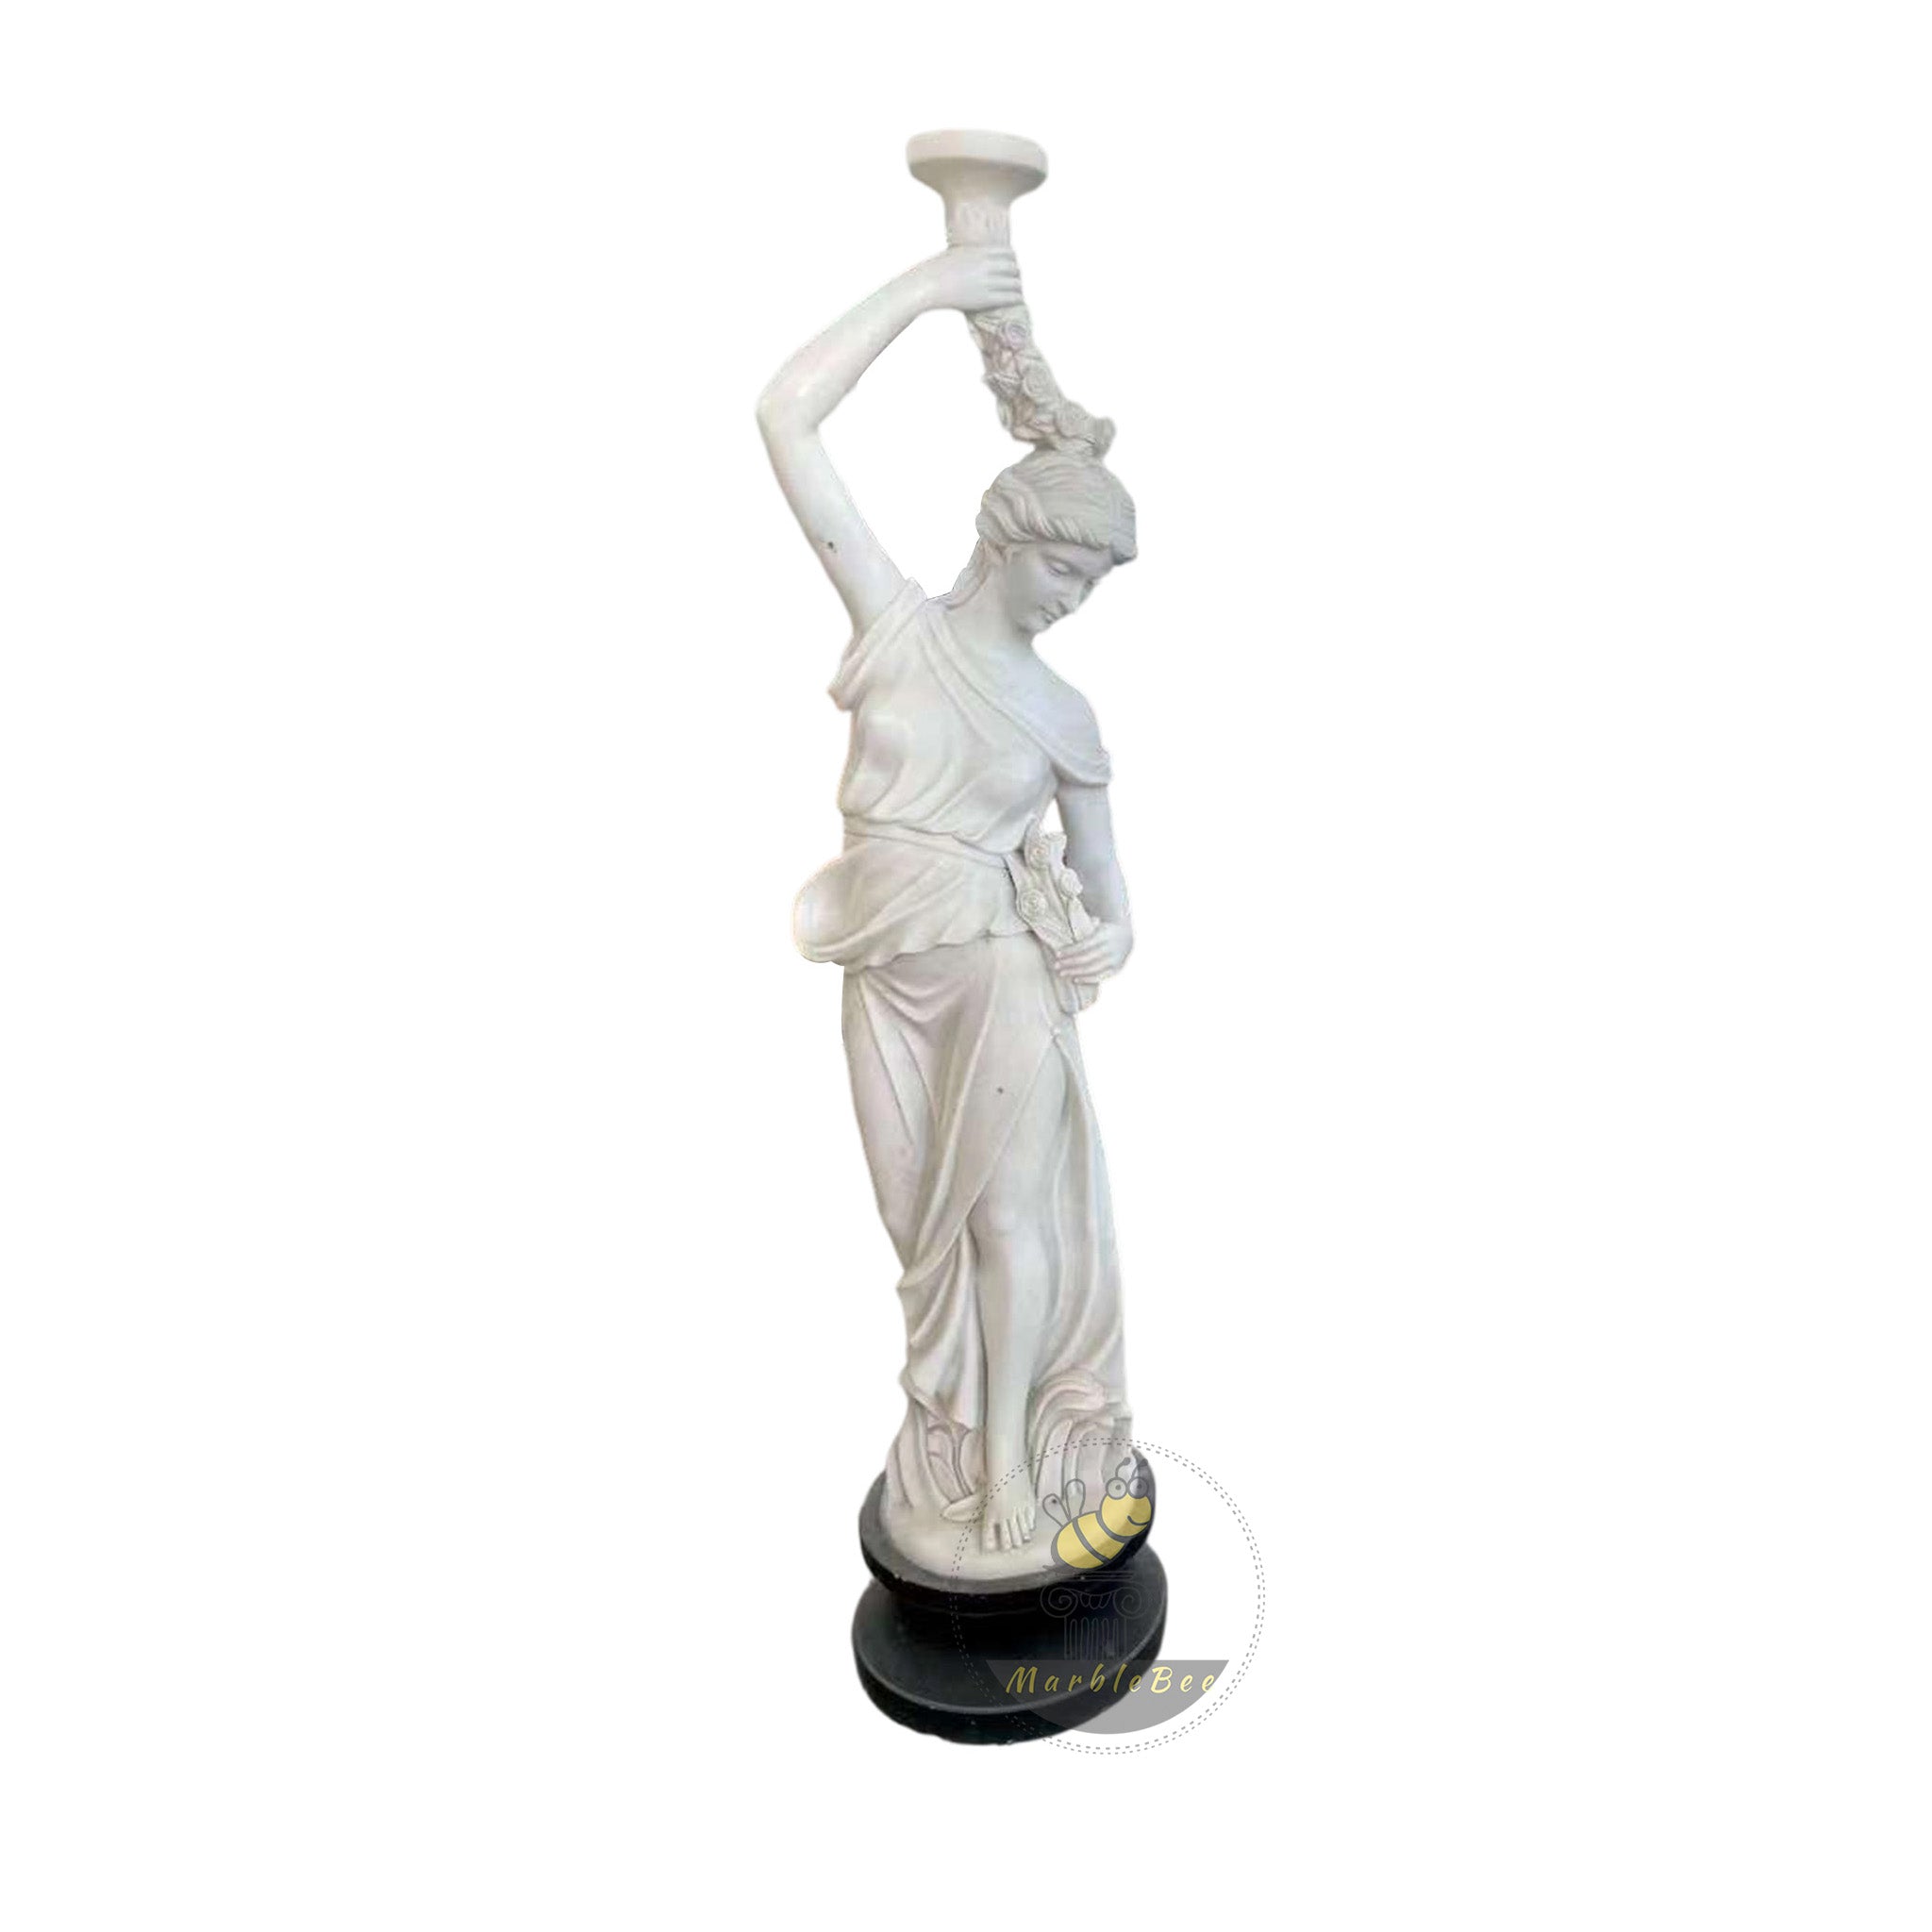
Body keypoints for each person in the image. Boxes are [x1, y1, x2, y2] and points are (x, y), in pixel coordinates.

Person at [758, 244, 1138, 1572]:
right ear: (1007, 535)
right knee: (919, 1237)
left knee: (1005, 1220)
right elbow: (785, 416)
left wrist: (1098, 936)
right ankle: (959, 1432)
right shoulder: (900, 629)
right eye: (1066, 569)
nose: (1074, 600)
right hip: (888, 973)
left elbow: (1114, 900)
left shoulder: (1066, 715)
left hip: (1001, 975)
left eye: (1093, 585)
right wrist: (932, 289)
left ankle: (1015, 1455)